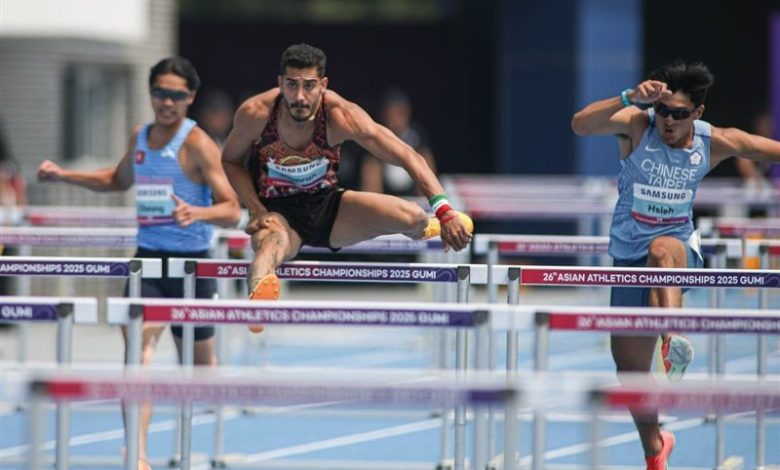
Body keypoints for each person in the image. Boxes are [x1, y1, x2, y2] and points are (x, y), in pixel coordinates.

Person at [571, 59, 780, 470]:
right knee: (630, 373)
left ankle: (673, 338)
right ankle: (656, 450)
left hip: (679, 250)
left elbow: (765, 149)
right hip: (628, 259)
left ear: (697, 113)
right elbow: (580, 124)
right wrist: (629, 97)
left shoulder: (713, 142)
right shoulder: (638, 125)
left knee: (662, 249)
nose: (668, 121)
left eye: (679, 114)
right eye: (663, 111)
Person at [37, 57, 241, 470]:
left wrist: (197, 213)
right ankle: (138, 454)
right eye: (160, 93)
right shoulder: (140, 137)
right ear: (151, 93)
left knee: (201, 373)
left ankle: (204, 431)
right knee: (139, 360)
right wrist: (63, 175)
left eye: (176, 95)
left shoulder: (198, 144)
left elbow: (232, 210)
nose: (167, 102)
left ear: (190, 97)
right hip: (147, 263)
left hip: (192, 269)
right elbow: (117, 180)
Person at [221, 43, 472, 325]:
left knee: (413, 216)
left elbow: (407, 155)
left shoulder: (341, 115)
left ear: (323, 85)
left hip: (328, 209)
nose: (300, 96)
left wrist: (445, 212)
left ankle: (424, 227)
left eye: (309, 86)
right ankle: (257, 306)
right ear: (280, 83)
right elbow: (230, 160)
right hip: (277, 216)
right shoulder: (256, 113)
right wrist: (255, 208)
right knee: (268, 249)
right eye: (291, 85)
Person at [360, 88, 436, 196]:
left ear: (407, 112)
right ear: (384, 115)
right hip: (386, 195)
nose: (395, 119)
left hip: (413, 194)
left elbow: (428, 165)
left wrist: (426, 194)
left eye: (399, 114)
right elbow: (370, 176)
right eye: (391, 114)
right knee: (371, 165)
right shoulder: (376, 136)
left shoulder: (416, 135)